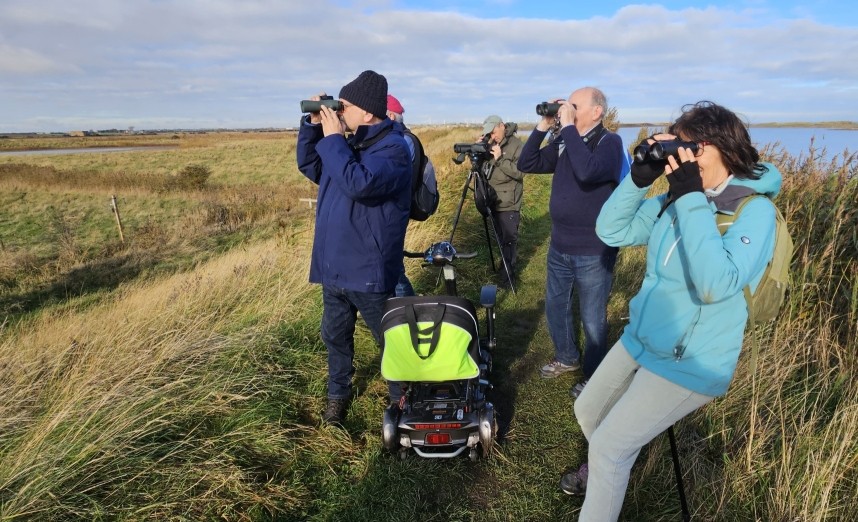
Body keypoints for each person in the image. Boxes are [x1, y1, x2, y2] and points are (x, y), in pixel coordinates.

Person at [564, 101, 782, 522]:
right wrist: (638, 180)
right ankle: (612, 469)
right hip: (644, 337)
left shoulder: (755, 212)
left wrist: (690, 198)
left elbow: (715, 283)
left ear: (721, 148)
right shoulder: (673, 198)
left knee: (610, 445)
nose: (680, 156)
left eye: (690, 148)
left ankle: (610, 464)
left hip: (692, 360)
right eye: (677, 147)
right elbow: (610, 230)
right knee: (587, 410)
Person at [296, 70, 412, 425]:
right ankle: (337, 395)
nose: (339, 112)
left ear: (367, 113)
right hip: (334, 269)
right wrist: (314, 125)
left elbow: (358, 183)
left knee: (390, 341)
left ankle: (404, 398)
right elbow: (310, 164)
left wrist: (333, 138)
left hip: (368, 270)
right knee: (335, 337)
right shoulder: (348, 145)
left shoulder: (393, 149)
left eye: (344, 106)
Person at [516, 87, 625, 396]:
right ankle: (567, 358)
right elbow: (528, 163)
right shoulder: (566, 140)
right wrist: (543, 126)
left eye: (575, 105)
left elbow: (589, 172)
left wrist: (566, 130)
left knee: (592, 318)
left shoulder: (610, 142)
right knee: (556, 306)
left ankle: (594, 377)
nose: (569, 110)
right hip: (560, 243)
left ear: (597, 111)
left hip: (593, 248)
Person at [480, 115, 524, 288]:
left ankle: (508, 281)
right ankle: (504, 268)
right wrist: (480, 150)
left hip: (509, 203)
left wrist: (500, 158)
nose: (492, 135)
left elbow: (520, 172)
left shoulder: (517, 145)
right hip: (492, 200)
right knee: (500, 239)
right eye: (489, 133)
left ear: (502, 126)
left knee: (509, 241)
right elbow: (482, 169)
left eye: (493, 131)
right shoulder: (490, 143)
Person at [386, 94, 416, 297]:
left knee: (394, 269)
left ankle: (408, 313)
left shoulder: (403, 142)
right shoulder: (402, 139)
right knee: (393, 268)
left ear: (389, 115)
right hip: (393, 210)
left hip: (394, 212)